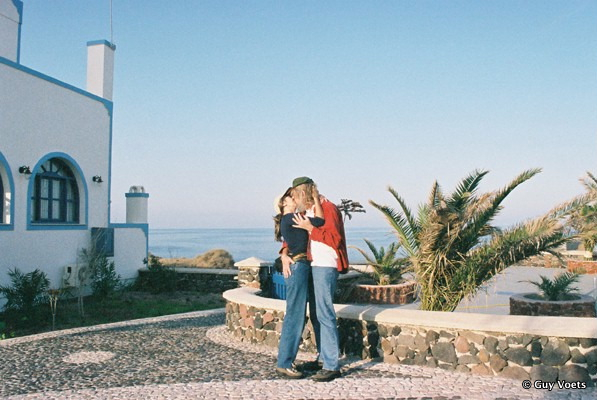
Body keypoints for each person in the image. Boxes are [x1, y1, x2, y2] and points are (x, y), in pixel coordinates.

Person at [281, 176, 349, 383]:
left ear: (303, 192)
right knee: (316, 313)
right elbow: (293, 238)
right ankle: (323, 357)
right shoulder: (307, 212)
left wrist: (312, 229)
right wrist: (284, 254)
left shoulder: (329, 208)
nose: (293, 199)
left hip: (325, 266)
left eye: (294, 195)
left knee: (325, 313)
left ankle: (331, 365)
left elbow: (335, 239)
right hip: (311, 265)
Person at [273, 187, 324, 379]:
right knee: (295, 314)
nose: (295, 198)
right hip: (299, 265)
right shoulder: (292, 219)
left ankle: (287, 362)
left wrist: (285, 254)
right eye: (290, 197)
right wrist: (317, 200)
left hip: (300, 264)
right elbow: (319, 221)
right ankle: (284, 363)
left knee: (297, 313)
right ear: (284, 203)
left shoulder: (290, 220)